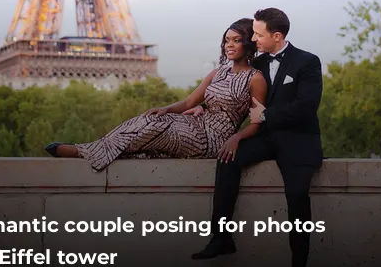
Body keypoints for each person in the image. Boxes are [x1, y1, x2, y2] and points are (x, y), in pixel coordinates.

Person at [191, 7, 323, 267]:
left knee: (298, 198)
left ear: (277, 36)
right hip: (265, 138)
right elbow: (234, 93)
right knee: (228, 160)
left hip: (298, 140)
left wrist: (266, 116)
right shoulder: (256, 64)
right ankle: (221, 236)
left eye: (258, 34)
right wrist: (205, 106)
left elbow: (306, 106)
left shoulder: (308, 62)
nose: (253, 38)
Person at [44, 18, 268, 171]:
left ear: (248, 43)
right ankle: (93, 149)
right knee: (154, 119)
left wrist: (236, 138)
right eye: (227, 40)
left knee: (155, 129)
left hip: (214, 139)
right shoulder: (216, 72)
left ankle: (82, 151)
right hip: (196, 126)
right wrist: (166, 109)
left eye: (236, 40)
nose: (230, 45)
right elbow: (189, 101)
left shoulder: (255, 79)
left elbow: (257, 122)